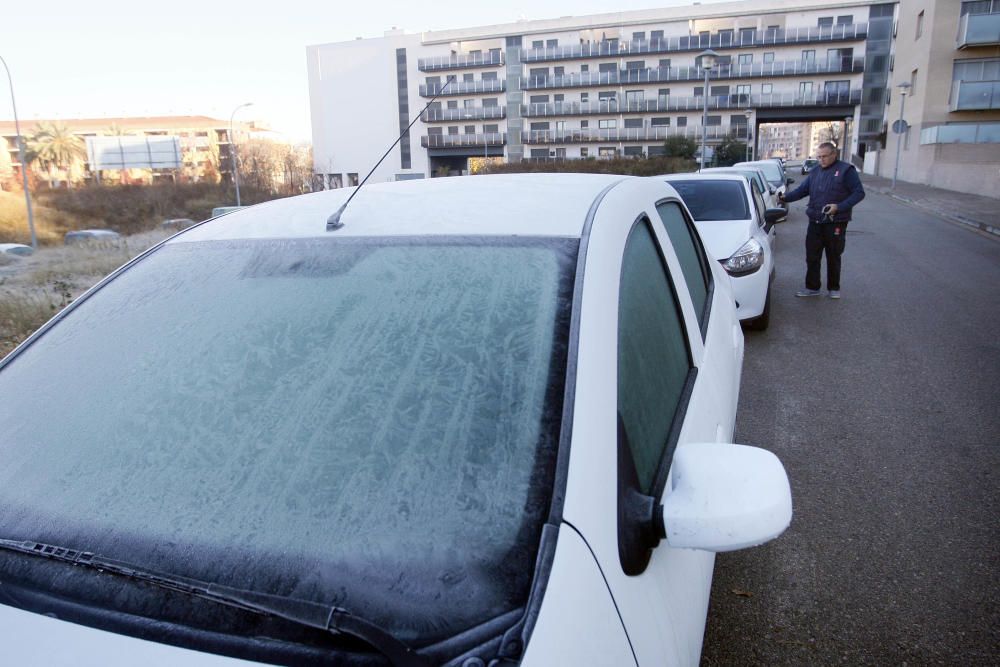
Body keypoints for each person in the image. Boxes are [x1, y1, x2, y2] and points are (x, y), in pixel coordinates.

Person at [779, 142, 865, 299]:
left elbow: (859, 193)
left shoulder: (846, 170)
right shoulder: (815, 171)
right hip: (815, 221)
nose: (821, 160)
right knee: (812, 256)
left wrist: (839, 207)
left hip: (836, 222)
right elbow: (802, 190)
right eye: (819, 157)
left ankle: (834, 288)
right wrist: (785, 197)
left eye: (824, 156)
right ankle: (812, 288)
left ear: (834, 155)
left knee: (833, 255)